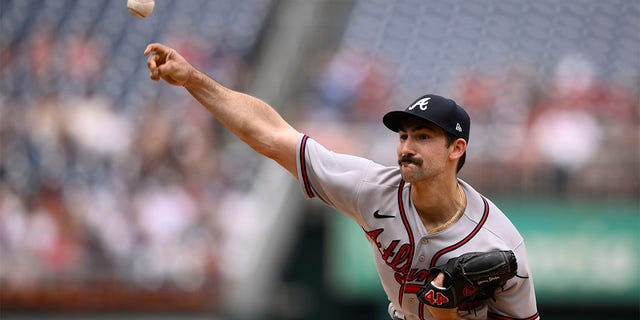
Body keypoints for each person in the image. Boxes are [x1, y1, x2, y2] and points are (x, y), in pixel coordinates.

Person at [144, 43, 539, 320]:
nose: (406, 147)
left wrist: (447, 314)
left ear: (457, 149)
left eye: (422, 137)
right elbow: (270, 134)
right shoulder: (373, 188)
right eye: (403, 135)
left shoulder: (500, 244)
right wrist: (193, 78)